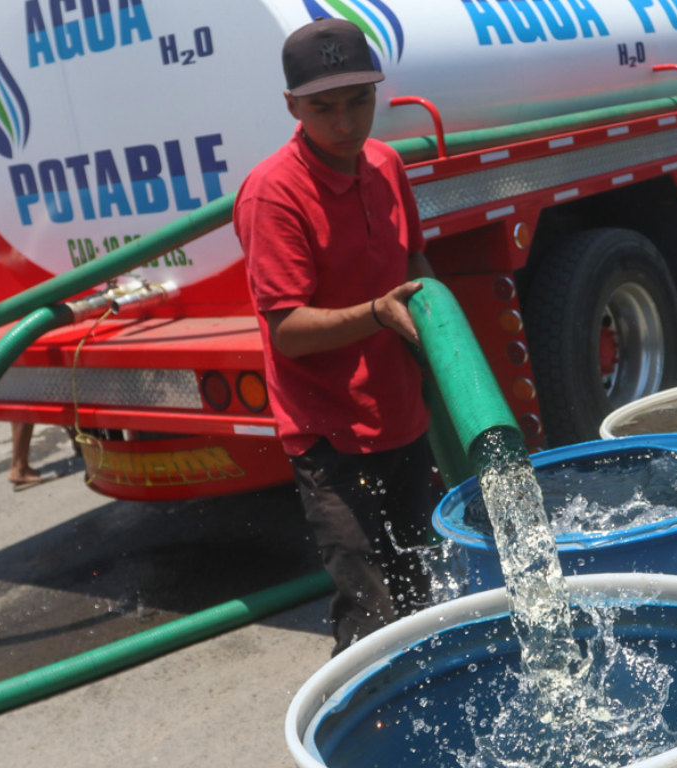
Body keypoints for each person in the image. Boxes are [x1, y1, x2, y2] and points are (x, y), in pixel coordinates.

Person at [234, 17, 440, 655]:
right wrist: (378, 313)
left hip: (402, 413)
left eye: (360, 101)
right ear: (292, 105)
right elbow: (289, 332)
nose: (346, 123)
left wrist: (449, 362)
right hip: (330, 434)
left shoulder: (384, 163)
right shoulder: (274, 194)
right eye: (324, 108)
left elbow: (416, 267)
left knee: (423, 587)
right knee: (370, 608)